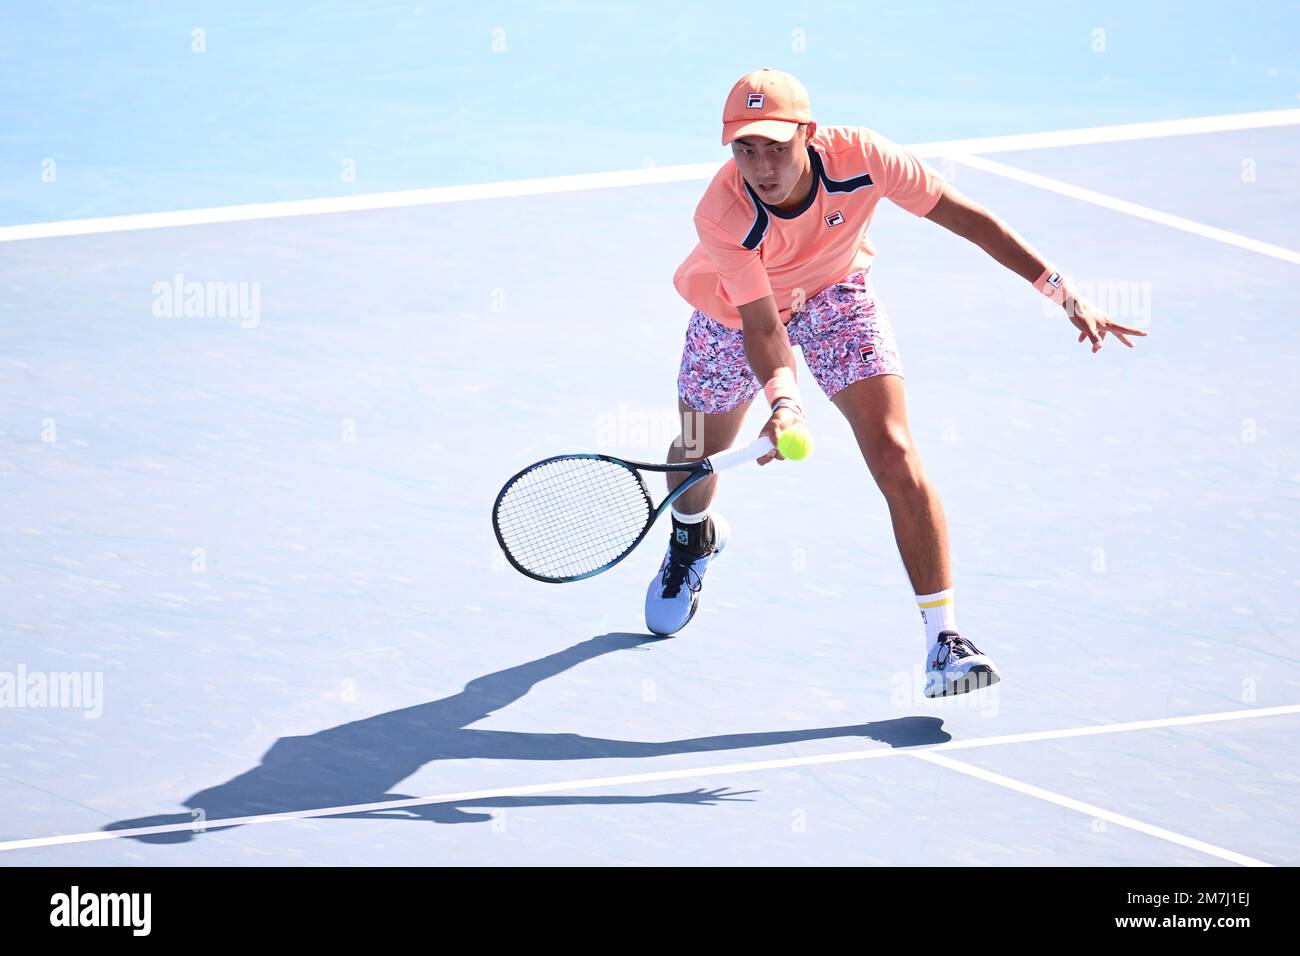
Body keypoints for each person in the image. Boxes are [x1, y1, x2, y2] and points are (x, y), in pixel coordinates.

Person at [645, 68, 1146, 697]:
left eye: (777, 147)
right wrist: (787, 403)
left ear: (809, 134)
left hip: (835, 294)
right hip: (734, 312)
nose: (762, 166)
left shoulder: (865, 158)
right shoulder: (722, 213)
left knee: (895, 451)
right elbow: (762, 326)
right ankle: (692, 538)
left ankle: (944, 641)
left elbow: (968, 220)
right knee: (696, 450)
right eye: (746, 149)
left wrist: (1061, 291)